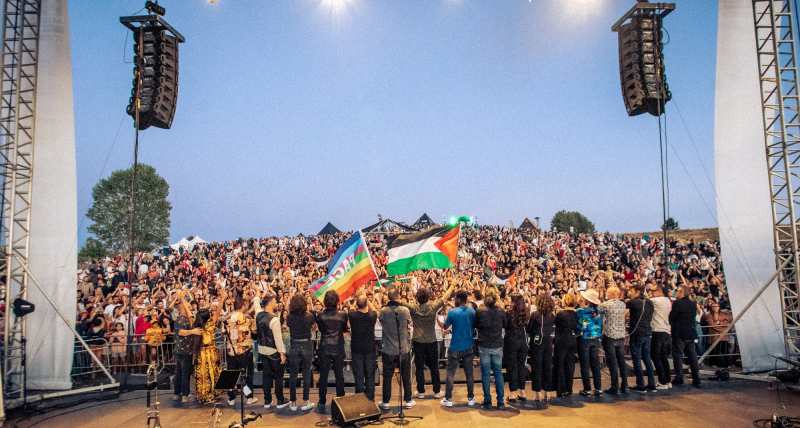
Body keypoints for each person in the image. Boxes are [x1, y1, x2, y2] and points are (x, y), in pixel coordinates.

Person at [405, 280, 455, 400]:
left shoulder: (413, 308)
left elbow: (399, 302)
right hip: (431, 340)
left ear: (417, 298)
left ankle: (421, 391)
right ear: (428, 297)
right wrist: (452, 285)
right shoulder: (433, 306)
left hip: (418, 341)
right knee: (434, 367)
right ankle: (437, 391)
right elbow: (445, 297)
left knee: (419, 367)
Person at [379, 288, 415, 410]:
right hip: (403, 348)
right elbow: (409, 324)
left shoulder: (383, 311)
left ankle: (386, 402)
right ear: (398, 296)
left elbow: (381, 322)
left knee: (387, 377)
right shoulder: (405, 310)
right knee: (406, 375)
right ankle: (408, 400)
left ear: (388, 297)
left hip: (388, 349)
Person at [440, 290, 477, 408]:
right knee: (469, 374)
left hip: (455, 347)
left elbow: (445, 326)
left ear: (459, 299)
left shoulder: (452, 312)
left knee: (450, 373)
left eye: (455, 298)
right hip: (468, 346)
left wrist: (437, 320)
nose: (454, 300)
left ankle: (448, 399)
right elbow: (474, 326)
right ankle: (471, 398)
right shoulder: (472, 311)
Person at [314, 290, 348, 414]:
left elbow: (321, 330)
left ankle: (322, 402)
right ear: (337, 301)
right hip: (338, 347)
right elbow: (344, 329)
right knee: (339, 375)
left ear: (325, 301)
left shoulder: (320, 315)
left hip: (324, 347)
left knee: (323, 376)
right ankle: (341, 400)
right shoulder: (343, 315)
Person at [256, 294, 288, 410]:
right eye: (274, 301)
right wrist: (282, 353)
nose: (276, 303)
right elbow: (278, 339)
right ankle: (280, 400)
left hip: (262, 350)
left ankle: (267, 401)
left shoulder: (258, 315)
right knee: (278, 377)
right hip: (273, 351)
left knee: (266, 376)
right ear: (269, 303)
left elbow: (256, 303)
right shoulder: (274, 319)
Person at [476, 289, 506, 410]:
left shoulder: (480, 311)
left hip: (484, 345)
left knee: (486, 374)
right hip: (497, 345)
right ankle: (500, 402)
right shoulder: (501, 311)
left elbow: (476, 325)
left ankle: (487, 401)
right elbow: (505, 324)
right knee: (498, 373)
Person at [225, 294, 257, 407]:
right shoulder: (247, 318)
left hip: (231, 351)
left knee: (230, 375)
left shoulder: (228, 318)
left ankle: (231, 398)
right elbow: (254, 331)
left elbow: (225, 332)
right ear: (243, 305)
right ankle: (249, 397)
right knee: (246, 375)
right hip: (244, 351)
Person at [286, 293, 315, 412]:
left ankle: (293, 402)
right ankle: (306, 401)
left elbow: (289, 326)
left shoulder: (289, 317)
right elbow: (314, 328)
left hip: (294, 345)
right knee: (306, 374)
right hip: (307, 345)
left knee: (293, 375)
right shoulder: (309, 316)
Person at [670, 286, 702, 388]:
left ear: (682, 292)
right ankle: (696, 378)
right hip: (691, 333)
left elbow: (672, 317)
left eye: (678, 291)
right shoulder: (693, 303)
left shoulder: (677, 303)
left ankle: (679, 378)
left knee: (678, 356)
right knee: (692, 356)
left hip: (679, 334)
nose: (676, 293)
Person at [348, 292, 378, 402]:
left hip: (356, 349)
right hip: (370, 349)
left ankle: (360, 400)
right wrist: (367, 300)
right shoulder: (372, 316)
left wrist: (355, 301)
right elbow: (374, 309)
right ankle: (370, 399)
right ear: (366, 303)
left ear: (357, 304)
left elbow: (351, 307)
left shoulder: (352, 315)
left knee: (359, 375)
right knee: (370, 374)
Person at [627, 284, 656, 393]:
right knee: (647, 359)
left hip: (637, 334)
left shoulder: (633, 302)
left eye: (631, 291)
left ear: (637, 291)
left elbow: (622, 305)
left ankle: (641, 385)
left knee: (637, 359)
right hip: (647, 332)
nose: (629, 293)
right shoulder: (650, 302)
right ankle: (652, 385)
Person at [528, 292, 555, 407]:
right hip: (548, 343)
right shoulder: (552, 315)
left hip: (537, 343)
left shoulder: (535, 315)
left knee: (537, 368)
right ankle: (547, 392)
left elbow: (529, 329)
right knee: (547, 367)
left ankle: (537, 393)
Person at [599, 286, 628, 395]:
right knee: (621, 361)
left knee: (612, 362)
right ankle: (625, 386)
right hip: (620, 336)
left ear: (611, 294)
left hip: (610, 336)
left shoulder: (605, 305)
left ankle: (615, 387)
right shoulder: (622, 304)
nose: (606, 294)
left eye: (607, 292)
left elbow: (597, 312)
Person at [172, 290, 199, 403]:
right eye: (187, 307)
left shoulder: (185, 318)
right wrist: (193, 331)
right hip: (184, 350)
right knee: (184, 373)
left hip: (182, 350)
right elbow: (181, 332)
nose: (190, 308)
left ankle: (177, 393)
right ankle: (184, 394)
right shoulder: (180, 319)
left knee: (179, 373)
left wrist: (185, 297)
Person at [577, 289, 603, 397]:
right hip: (596, 339)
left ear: (586, 300)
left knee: (585, 365)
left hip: (585, 339)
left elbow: (582, 326)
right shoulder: (597, 311)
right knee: (595, 365)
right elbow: (600, 325)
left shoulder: (581, 311)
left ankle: (587, 389)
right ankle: (598, 388)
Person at [504, 293, 530, 404]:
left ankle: (512, 394)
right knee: (521, 366)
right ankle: (522, 392)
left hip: (511, 342)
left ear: (513, 302)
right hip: (523, 342)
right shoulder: (526, 312)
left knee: (512, 367)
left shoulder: (509, 313)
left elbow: (505, 325)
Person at [553, 293, 578, 399]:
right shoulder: (577, 314)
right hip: (572, 340)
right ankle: (569, 389)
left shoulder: (561, 314)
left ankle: (561, 390)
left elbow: (555, 325)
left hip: (561, 341)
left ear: (565, 301)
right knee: (570, 365)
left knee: (560, 365)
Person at [194, 307, 221, 404]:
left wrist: (183, 301)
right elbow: (218, 312)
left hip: (201, 353)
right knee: (210, 374)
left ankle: (203, 395)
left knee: (203, 375)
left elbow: (189, 315)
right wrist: (222, 300)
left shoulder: (196, 325)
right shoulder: (211, 325)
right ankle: (209, 395)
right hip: (209, 353)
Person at [649, 282, 673, 390]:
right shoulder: (667, 300)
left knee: (656, 356)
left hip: (658, 331)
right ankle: (667, 380)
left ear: (659, 291)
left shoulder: (656, 300)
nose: (651, 293)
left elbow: (645, 301)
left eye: (653, 291)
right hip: (666, 331)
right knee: (663, 357)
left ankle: (662, 381)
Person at [703, 300, 733, 368]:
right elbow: (712, 325)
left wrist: (719, 323)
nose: (715, 308)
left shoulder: (723, 314)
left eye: (716, 306)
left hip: (724, 336)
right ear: (711, 308)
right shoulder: (709, 315)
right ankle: (715, 364)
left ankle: (726, 364)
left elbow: (727, 322)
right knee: (715, 351)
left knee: (724, 350)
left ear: (719, 307)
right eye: (713, 307)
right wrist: (723, 328)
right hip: (714, 336)